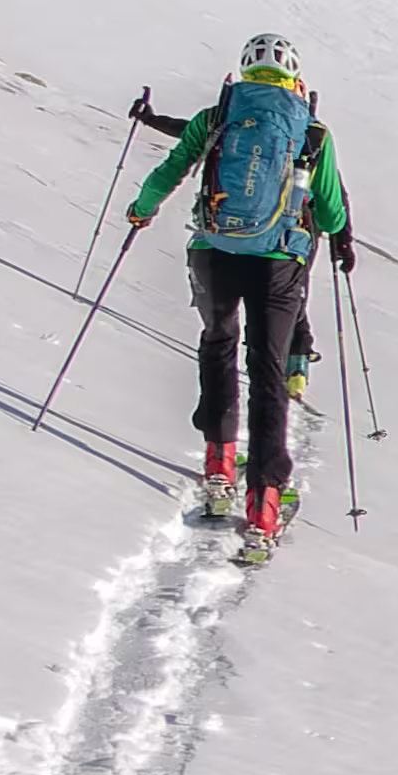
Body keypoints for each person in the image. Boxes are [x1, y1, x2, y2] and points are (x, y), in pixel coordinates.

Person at [129, 34, 354, 538]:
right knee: (268, 373)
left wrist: (142, 210)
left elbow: (173, 169)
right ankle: (264, 503)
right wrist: (340, 240)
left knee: (217, 345)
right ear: (293, 75)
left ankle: (219, 465)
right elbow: (331, 207)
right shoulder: (313, 131)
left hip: (214, 252)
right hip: (277, 263)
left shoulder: (217, 117)